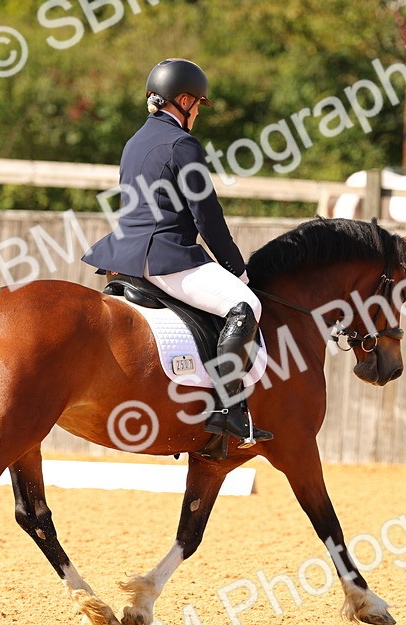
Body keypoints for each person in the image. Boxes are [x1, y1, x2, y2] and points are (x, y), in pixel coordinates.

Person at [82, 58, 271, 447]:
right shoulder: (183, 144)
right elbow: (207, 216)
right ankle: (227, 409)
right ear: (183, 100)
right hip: (166, 257)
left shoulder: (135, 141)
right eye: (198, 104)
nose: (199, 112)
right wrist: (237, 270)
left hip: (124, 255)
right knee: (244, 306)